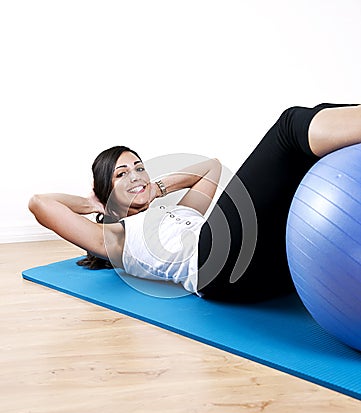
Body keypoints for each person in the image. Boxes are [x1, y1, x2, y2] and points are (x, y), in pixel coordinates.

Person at [29, 103, 361, 302]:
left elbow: (210, 168)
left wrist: (155, 188)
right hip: (213, 267)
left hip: (261, 272)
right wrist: (98, 205)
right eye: (121, 175)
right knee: (290, 127)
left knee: (317, 116)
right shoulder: (114, 238)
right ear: (105, 191)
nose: (135, 176)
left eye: (139, 167)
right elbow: (40, 203)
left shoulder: (174, 214)